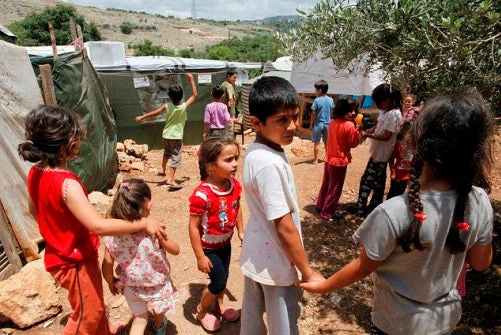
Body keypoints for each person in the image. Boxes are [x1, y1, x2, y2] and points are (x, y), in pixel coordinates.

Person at [300, 91, 494, 335]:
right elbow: (481, 262)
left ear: (415, 144)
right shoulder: (478, 201)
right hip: (443, 322)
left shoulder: (393, 212)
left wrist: (323, 286)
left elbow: (363, 266)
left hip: (394, 322)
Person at [18, 105, 165, 335]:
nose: (80, 142)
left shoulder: (35, 173)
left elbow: (31, 209)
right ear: (67, 144)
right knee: (89, 314)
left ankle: (104, 331)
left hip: (63, 253)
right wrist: (143, 224)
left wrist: (57, 228)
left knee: (94, 301)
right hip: (73, 261)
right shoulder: (67, 183)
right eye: (77, 138)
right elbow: (98, 225)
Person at [240, 76, 324, 335]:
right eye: (282, 120)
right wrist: (307, 272)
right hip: (277, 263)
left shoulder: (257, 151)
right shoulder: (270, 163)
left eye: (295, 117)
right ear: (256, 123)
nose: (292, 126)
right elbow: (285, 227)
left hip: (256, 255)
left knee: (252, 318)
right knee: (283, 324)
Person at [102, 178, 180, 335]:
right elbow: (176, 250)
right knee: (158, 311)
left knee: (139, 320)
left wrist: (111, 282)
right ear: (148, 205)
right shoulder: (154, 231)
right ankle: (159, 327)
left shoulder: (113, 236)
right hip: (158, 284)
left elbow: (107, 263)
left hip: (132, 286)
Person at [188, 136, 244, 332]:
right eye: (228, 160)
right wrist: (200, 256)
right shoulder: (202, 195)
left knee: (225, 276)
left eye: (236, 158)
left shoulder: (233, 185)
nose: (235, 164)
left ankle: (220, 305)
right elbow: (193, 226)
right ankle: (202, 310)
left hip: (225, 244)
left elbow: (236, 207)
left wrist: (241, 231)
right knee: (218, 281)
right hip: (209, 247)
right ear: (211, 166)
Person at [135, 73, 198, 190]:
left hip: (166, 135)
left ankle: (162, 169)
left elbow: (155, 112)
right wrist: (191, 80)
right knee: (176, 157)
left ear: (169, 96)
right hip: (176, 137)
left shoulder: (167, 106)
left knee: (167, 153)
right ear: (181, 96)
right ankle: (170, 179)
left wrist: (142, 117)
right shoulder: (183, 107)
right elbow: (194, 95)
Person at [351, 83, 402, 216]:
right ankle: (374, 206)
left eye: (380, 101)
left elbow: (386, 136)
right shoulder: (385, 111)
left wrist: (368, 135)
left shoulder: (395, 114)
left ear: (389, 100)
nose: (377, 104)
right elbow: (378, 125)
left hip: (382, 154)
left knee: (366, 181)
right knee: (379, 182)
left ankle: (360, 207)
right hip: (378, 152)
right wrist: (370, 130)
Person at [316, 98, 361, 222]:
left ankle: (320, 206)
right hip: (340, 160)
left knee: (326, 183)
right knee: (335, 188)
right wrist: (358, 131)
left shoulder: (332, 121)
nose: (352, 113)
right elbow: (353, 143)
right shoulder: (350, 125)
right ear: (343, 110)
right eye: (349, 110)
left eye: (354, 110)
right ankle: (327, 213)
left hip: (330, 157)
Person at [386, 120, 413, 199]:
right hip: (398, 176)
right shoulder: (399, 145)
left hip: (407, 176)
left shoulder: (414, 146)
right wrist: (393, 172)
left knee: (401, 195)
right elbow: (391, 159)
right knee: (393, 195)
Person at [309, 79, 334, 164]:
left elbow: (313, 113)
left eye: (315, 89)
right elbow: (332, 112)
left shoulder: (317, 100)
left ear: (319, 90)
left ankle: (315, 160)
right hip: (328, 124)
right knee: (327, 143)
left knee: (317, 143)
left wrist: (311, 124)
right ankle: (327, 158)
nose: (314, 91)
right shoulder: (331, 100)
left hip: (318, 124)